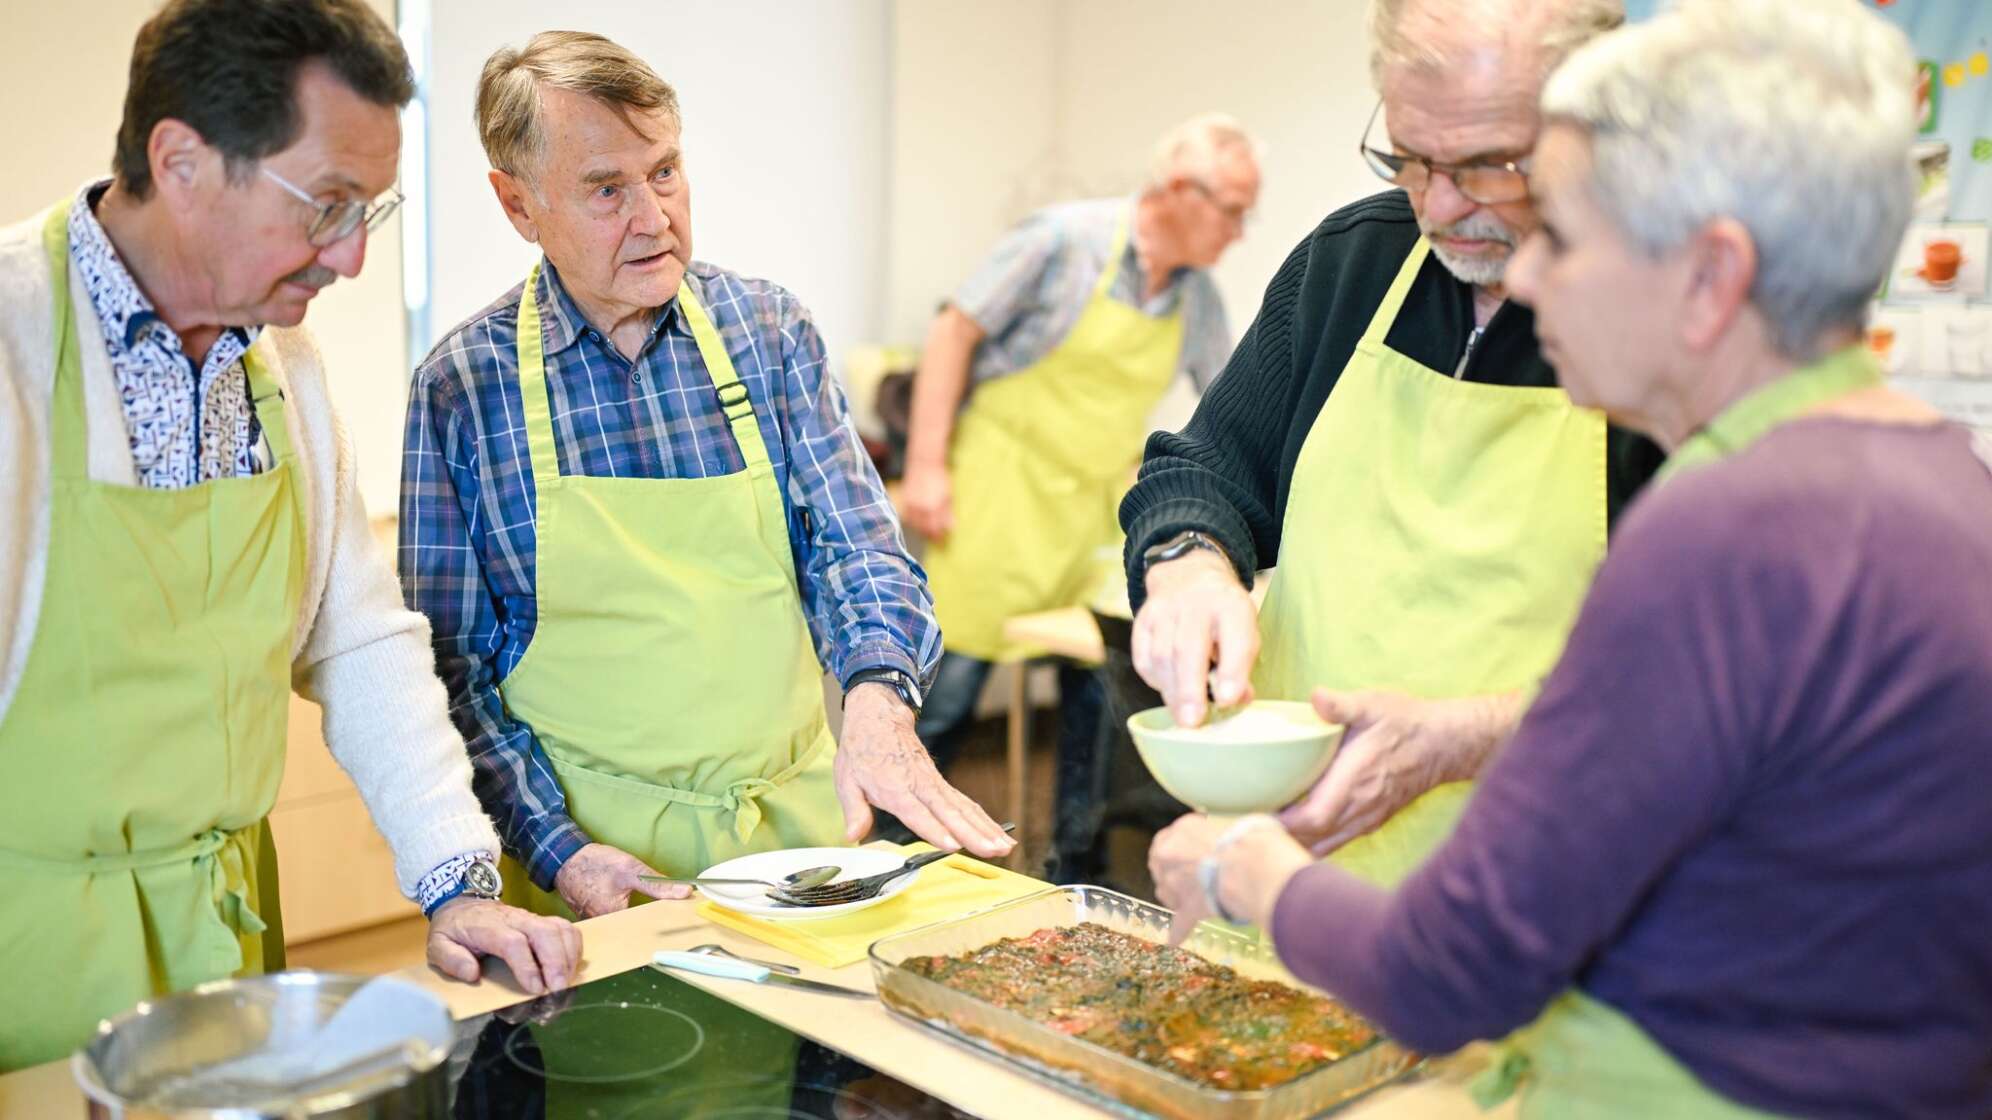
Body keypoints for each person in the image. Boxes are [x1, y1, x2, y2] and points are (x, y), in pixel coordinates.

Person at [1152, 1, 1992, 1114]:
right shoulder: (1946, 482)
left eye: (1570, 233)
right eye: (1413, 159)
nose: (1532, 278)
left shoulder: (1727, 525)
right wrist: (1191, 563)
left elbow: (1449, 967)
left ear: (1709, 278)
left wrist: (1238, 871)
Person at [0, 0, 578, 1072]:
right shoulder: (14, 345)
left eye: (372, 209)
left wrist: (458, 880)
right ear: (180, 161)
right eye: (327, 206)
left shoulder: (283, 372)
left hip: (226, 951)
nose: (354, 257)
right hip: (23, 981)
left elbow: (356, 640)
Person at [401, 32, 1012, 921]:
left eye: (665, 172)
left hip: (803, 843)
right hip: (599, 875)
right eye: (607, 190)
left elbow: (859, 552)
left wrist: (880, 704)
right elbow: (449, 674)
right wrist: (558, 852)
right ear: (518, 206)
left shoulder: (768, 333)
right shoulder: (463, 389)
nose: (653, 217)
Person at [1122, 0, 1664, 887]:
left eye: (1489, 165)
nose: (1439, 205)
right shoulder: (1352, 265)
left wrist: (1467, 739)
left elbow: (1700, 694)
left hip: (1535, 911)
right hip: (1283, 882)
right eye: (1410, 157)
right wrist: (1186, 564)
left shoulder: (1665, 329)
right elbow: (1205, 467)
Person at [901, 114, 1261, 879]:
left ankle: (1073, 861)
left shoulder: (1198, 300)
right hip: (998, 496)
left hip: (1092, 512)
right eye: (1231, 209)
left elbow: (1233, 410)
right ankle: (885, 861)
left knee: (1100, 685)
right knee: (946, 694)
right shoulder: (1063, 241)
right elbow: (953, 331)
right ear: (1175, 190)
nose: (1239, 231)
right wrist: (927, 465)